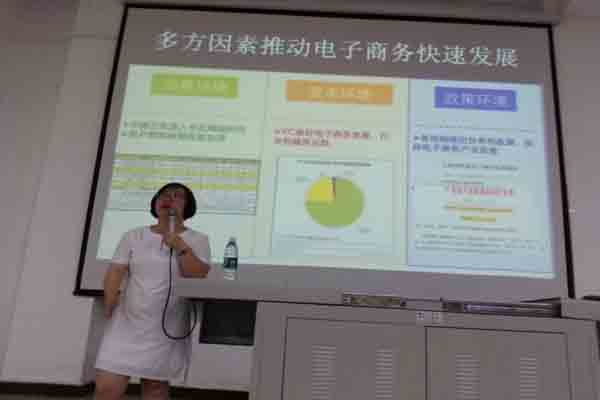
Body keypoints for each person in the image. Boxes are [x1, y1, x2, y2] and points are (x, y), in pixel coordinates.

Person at [94, 182, 213, 400]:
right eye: (163, 194)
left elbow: (198, 274)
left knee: (155, 388)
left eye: (177, 196)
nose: (168, 198)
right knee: (106, 387)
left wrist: (180, 246)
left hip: (167, 326)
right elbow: (115, 271)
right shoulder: (134, 236)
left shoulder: (198, 239)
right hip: (127, 323)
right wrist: (109, 302)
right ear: (155, 203)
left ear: (188, 206)